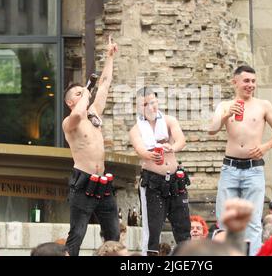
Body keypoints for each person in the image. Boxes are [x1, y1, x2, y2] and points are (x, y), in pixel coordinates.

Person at [208, 65, 272, 255]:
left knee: (253, 220)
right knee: (224, 219)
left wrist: (265, 146)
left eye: (253, 81)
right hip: (230, 167)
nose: (250, 85)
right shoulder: (225, 105)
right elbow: (211, 129)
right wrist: (227, 115)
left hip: (254, 169)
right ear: (235, 82)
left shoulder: (263, 105)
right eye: (246, 81)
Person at [62, 35, 119, 256]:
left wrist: (110, 57)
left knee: (113, 232)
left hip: (103, 181)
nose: (83, 96)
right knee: (77, 233)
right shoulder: (70, 122)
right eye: (77, 94)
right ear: (70, 101)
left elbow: (104, 84)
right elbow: (78, 111)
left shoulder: (94, 113)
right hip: (83, 181)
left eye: (82, 93)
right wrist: (85, 92)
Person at [129, 87, 190, 256]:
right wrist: (151, 155)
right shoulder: (136, 128)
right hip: (153, 182)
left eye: (153, 102)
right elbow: (140, 149)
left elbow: (181, 140)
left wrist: (172, 147)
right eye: (146, 104)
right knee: (152, 230)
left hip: (175, 180)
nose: (151, 107)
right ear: (139, 107)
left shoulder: (169, 120)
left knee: (183, 226)